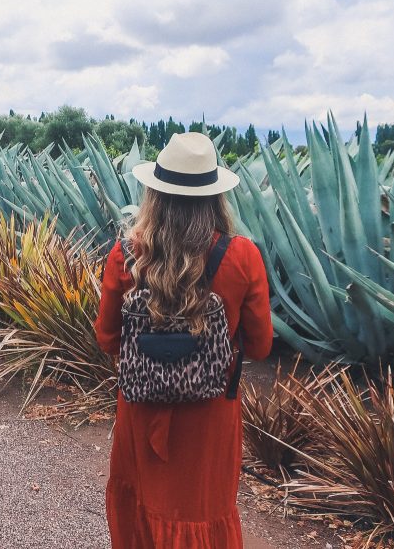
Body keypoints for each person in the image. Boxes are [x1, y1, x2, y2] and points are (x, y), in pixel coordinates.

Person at [94, 132, 273, 548]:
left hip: (141, 407)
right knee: (201, 512)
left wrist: (156, 354)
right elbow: (261, 347)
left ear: (154, 193)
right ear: (214, 197)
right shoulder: (241, 255)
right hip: (209, 416)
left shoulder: (126, 254)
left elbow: (107, 338)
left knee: (141, 503)